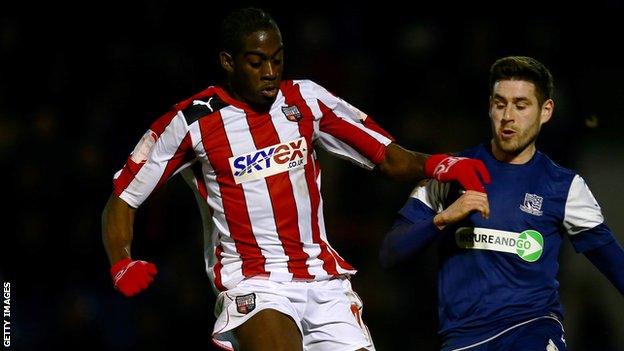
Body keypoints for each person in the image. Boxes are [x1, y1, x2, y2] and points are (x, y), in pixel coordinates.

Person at [102, 7, 491, 351]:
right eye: (256, 62)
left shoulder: (306, 99)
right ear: (227, 61)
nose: (270, 72)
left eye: (277, 59)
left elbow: (388, 156)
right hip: (254, 282)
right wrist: (121, 261)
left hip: (324, 280)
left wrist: (442, 164)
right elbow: (123, 197)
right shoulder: (191, 121)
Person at [379, 56, 624, 351]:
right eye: (500, 103)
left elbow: (612, 261)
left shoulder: (564, 186)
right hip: (463, 340)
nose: (508, 115)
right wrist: (442, 219)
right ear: (489, 107)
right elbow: (390, 253)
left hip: (532, 329)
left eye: (521, 106)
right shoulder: (452, 173)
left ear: (545, 111)